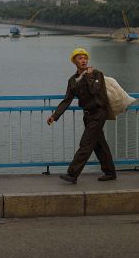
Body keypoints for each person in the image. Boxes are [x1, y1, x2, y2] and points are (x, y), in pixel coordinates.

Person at [46, 48, 116, 184]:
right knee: (99, 145)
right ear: (74, 61)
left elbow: (95, 91)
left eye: (85, 58)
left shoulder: (96, 74)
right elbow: (67, 100)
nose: (83, 60)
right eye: (80, 58)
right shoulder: (73, 80)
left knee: (86, 144)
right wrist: (55, 116)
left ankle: (72, 174)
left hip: (98, 113)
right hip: (88, 115)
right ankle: (110, 172)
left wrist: (89, 76)